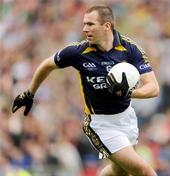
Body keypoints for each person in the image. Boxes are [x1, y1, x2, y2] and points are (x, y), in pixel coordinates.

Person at [12, 5, 159, 176]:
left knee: (120, 172)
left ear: (107, 26)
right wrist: (29, 94)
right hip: (100, 124)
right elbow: (47, 65)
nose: (84, 29)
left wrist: (129, 92)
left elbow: (153, 88)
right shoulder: (78, 52)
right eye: (84, 24)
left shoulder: (130, 49)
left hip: (127, 118)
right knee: (144, 171)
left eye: (90, 24)